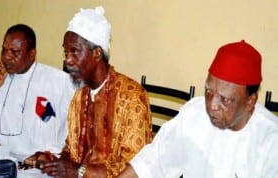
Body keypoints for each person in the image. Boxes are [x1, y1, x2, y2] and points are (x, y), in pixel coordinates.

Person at [117, 40, 278, 178]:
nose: (212, 106)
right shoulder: (194, 113)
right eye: (208, 91)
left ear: (250, 101)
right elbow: (152, 161)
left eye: (225, 99)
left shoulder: (271, 141)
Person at [39, 6, 152, 178]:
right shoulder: (79, 97)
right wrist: (49, 160)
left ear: (97, 53)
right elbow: (71, 151)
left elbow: (136, 169)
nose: (67, 60)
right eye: (66, 52)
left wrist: (79, 172)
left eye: (75, 51)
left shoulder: (132, 97)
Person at [0, 24, 76, 162]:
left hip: (41, 169)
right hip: (5, 162)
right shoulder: (0, 81)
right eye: (4, 50)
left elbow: (75, 132)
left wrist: (50, 155)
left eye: (15, 52)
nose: (6, 57)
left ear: (32, 54)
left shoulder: (59, 81)